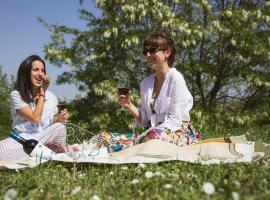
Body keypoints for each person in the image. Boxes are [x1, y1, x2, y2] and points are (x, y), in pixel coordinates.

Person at [89, 32, 200, 152]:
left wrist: (147, 133)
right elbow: (146, 119)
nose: (147, 55)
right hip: (151, 133)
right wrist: (129, 105)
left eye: (152, 50)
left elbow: (176, 120)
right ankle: (77, 149)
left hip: (177, 132)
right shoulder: (145, 84)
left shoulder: (176, 78)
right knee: (104, 136)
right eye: (145, 51)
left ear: (167, 52)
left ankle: (125, 147)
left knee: (151, 137)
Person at [0, 55, 69, 160]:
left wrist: (60, 118)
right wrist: (42, 93)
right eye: (36, 70)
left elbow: (51, 121)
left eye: (42, 70)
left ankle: (50, 155)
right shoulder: (16, 95)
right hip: (23, 140)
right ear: (26, 73)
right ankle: (43, 156)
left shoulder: (51, 97)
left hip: (45, 138)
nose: (40, 74)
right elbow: (35, 118)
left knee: (59, 127)